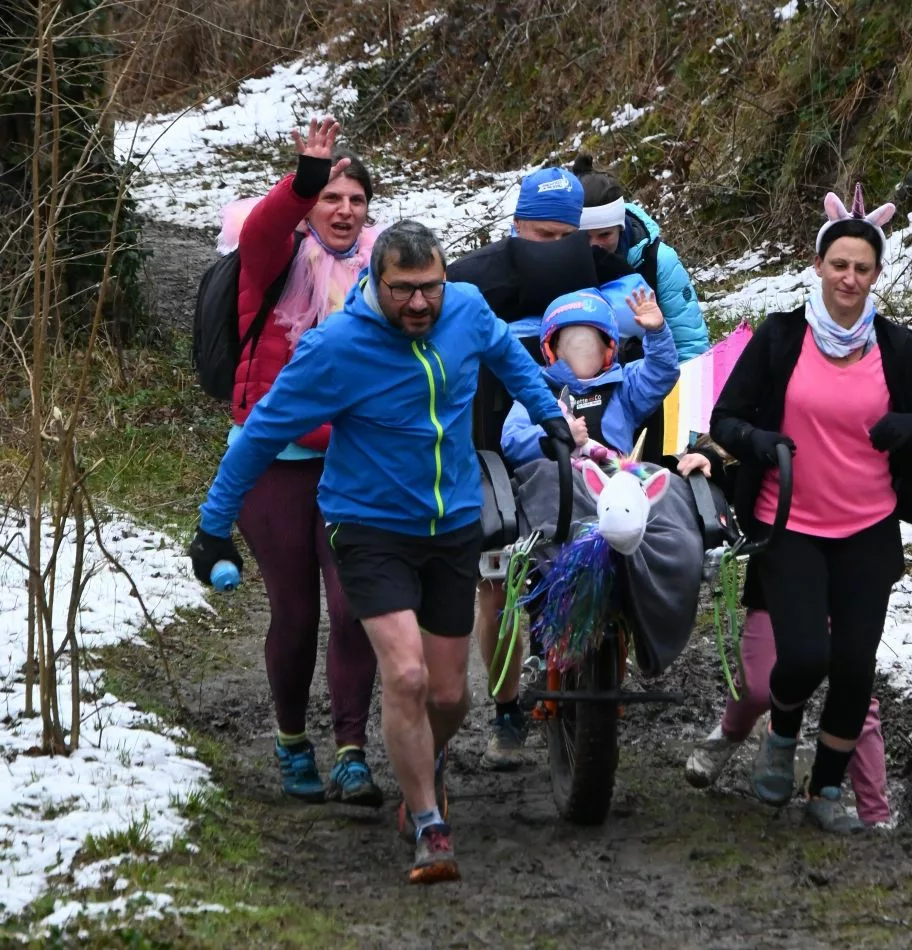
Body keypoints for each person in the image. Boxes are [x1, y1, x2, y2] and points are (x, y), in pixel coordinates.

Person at [188, 219, 575, 884]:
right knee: (409, 677)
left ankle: (419, 758)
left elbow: (512, 362)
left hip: (452, 523)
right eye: (403, 291)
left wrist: (550, 419)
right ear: (377, 281)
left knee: (450, 696)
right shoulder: (336, 346)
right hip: (367, 527)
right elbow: (259, 433)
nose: (419, 304)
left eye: (429, 289)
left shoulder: (468, 311)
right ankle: (430, 825)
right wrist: (213, 526)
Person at [709, 183, 912, 834]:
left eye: (862, 268)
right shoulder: (782, 339)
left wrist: (908, 428)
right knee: (806, 657)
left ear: (876, 276)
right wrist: (759, 440)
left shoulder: (898, 349)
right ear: (818, 267)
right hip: (787, 522)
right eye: (838, 264)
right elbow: (724, 419)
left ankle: (824, 789)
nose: (849, 277)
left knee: (853, 669)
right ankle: (783, 734)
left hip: (868, 527)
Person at [221, 116, 380, 807]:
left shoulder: (384, 271)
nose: (343, 210)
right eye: (331, 197)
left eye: (354, 199)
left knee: (354, 611)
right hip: (276, 461)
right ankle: (291, 741)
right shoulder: (273, 257)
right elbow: (261, 228)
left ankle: (352, 751)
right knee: (295, 613)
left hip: (354, 462)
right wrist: (304, 175)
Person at [448, 165, 628, 770]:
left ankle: (601, 685)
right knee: (496, 579)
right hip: (495, 444)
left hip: (585, 447)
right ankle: (505, 711)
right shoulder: (474, 279)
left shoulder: (612, 279)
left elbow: (670, 339)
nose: (551, 249)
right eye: (540, 235)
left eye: (563, 237)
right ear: (516, 223)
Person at [672, 442, 893, 828]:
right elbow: (748, 471)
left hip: (850, 579)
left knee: (858, 695)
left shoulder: (862, 418)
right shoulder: (780, 420)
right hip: (781, 579)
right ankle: (729, 733)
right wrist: (714, 463)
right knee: (757, 686)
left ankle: (875, 811)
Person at [501, 286, 680, 466]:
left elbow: (661, 373)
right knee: (547, 477)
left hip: (614, 482)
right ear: (552, 350)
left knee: (657, 478)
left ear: (607, 349)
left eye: (590, 344)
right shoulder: (536, 392)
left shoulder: (624, 386)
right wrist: (557, 436)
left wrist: (658, 332)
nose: (581, 351)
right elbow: (512, 442)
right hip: (559, 482)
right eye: (571, 344)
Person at [571, 155, 710, 361]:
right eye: (585, 237)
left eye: (605, 235)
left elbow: (688, 345)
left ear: (621, 227)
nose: (595, 245)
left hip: (650, 378)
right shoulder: (561, 263)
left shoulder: (659, 261)